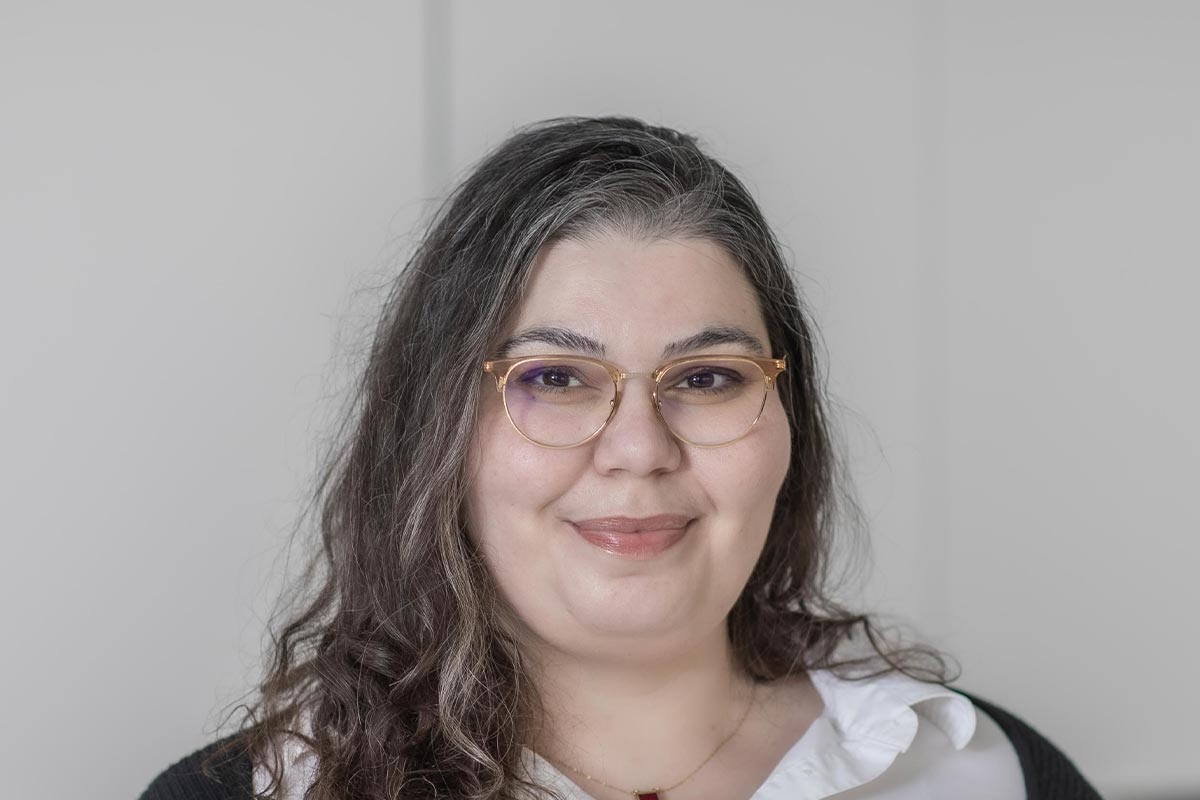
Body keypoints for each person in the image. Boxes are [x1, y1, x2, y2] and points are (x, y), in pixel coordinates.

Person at [138, 116, 1102, 800]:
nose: (639, 451)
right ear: (435, 432)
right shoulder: (252, 794)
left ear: (787, 422)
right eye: (555, 379)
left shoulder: (984, 771)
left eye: (708, 378)